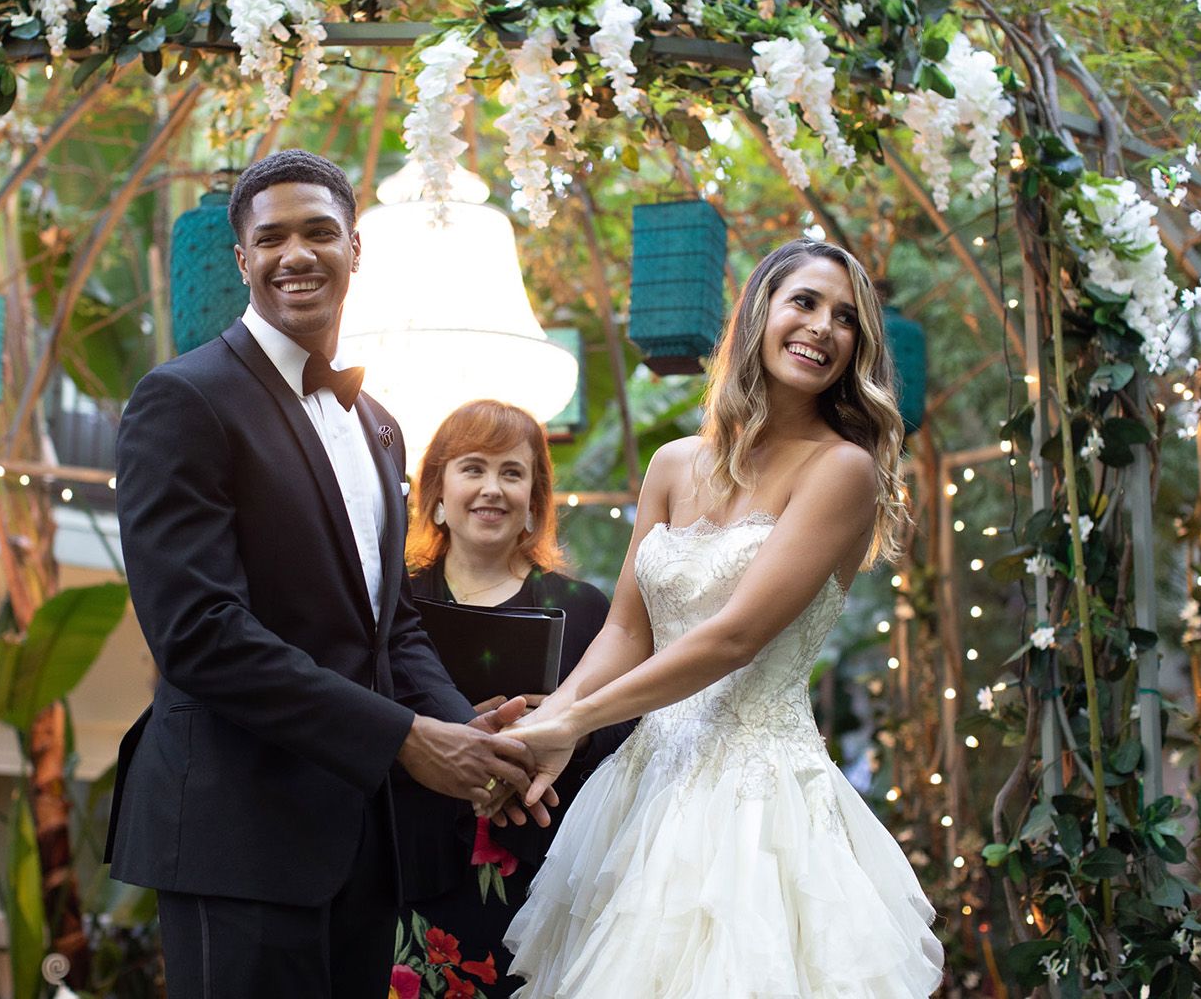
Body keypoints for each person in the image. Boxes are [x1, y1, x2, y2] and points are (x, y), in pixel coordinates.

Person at [104, 150, 552, 999]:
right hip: (236, 833)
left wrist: (470, 737)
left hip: (362, 837)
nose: (295, 255)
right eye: (270, 239)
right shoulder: (181, 400)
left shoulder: (380, 425)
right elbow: (199, 635)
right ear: (242, 260)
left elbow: (394, 627)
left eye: (318, 232)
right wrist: (404, 739)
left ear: (355, 248)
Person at [496, 239, 946, 996]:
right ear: (760, 310)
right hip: (643, 789)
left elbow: (734, 637)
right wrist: (547, 728)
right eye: (804, 301)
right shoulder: (673, 463)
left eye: (846, 320)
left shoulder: (842, 470)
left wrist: (572, 724)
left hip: (755, 808)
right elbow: (626, 631)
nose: (823, 328)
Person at [389, 400, 636, 999]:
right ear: (438, 493)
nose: (491, 489)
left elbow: (625, 728)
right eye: (472, 468)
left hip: (539, 875)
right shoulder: (393, 602)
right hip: (407, 874)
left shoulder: (583, 609)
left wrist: (553, 732)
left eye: (512, 472)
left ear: (534, 499)